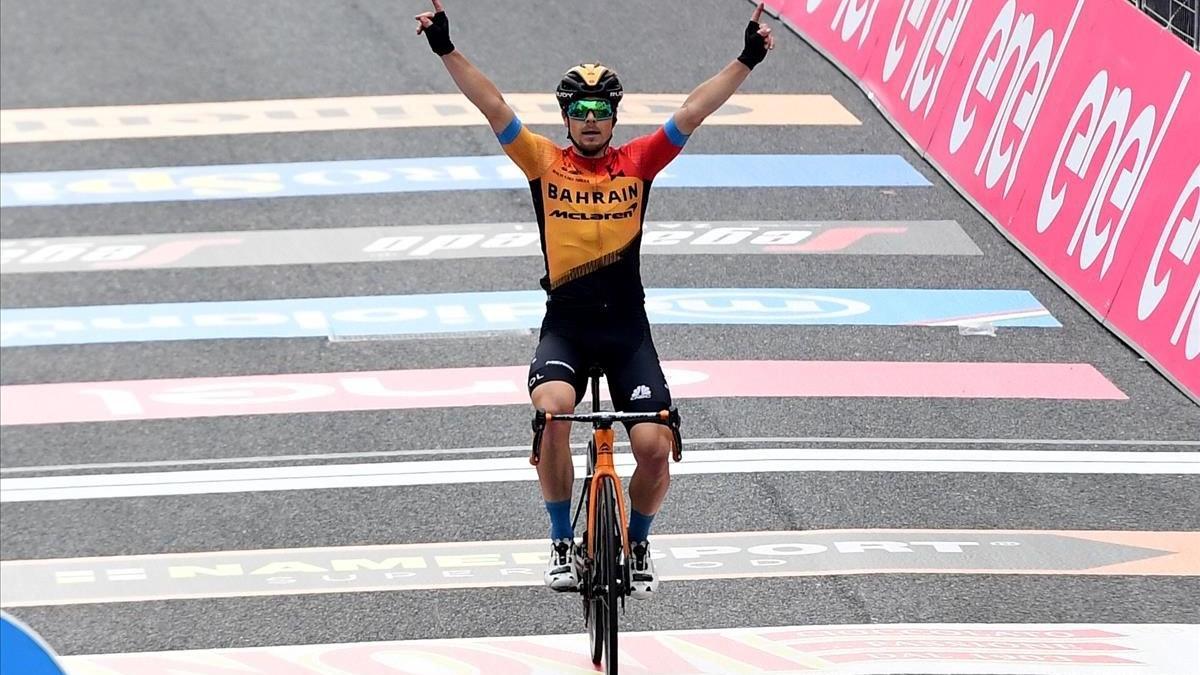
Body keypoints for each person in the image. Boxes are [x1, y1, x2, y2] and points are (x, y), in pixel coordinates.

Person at [415, 0, 774, 599]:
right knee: (554, 412)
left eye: (599, 111)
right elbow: (493, 105)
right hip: (569, 327)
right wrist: (446, 48)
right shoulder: (543, 162)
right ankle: (560, 541)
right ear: (565, 116)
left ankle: (637, 541)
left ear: (612, 117)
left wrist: (746, 59)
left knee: (655, 448)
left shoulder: (639, 162)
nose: (589, 120)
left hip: (628, 330)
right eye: (579, 111)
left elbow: (694, 109)